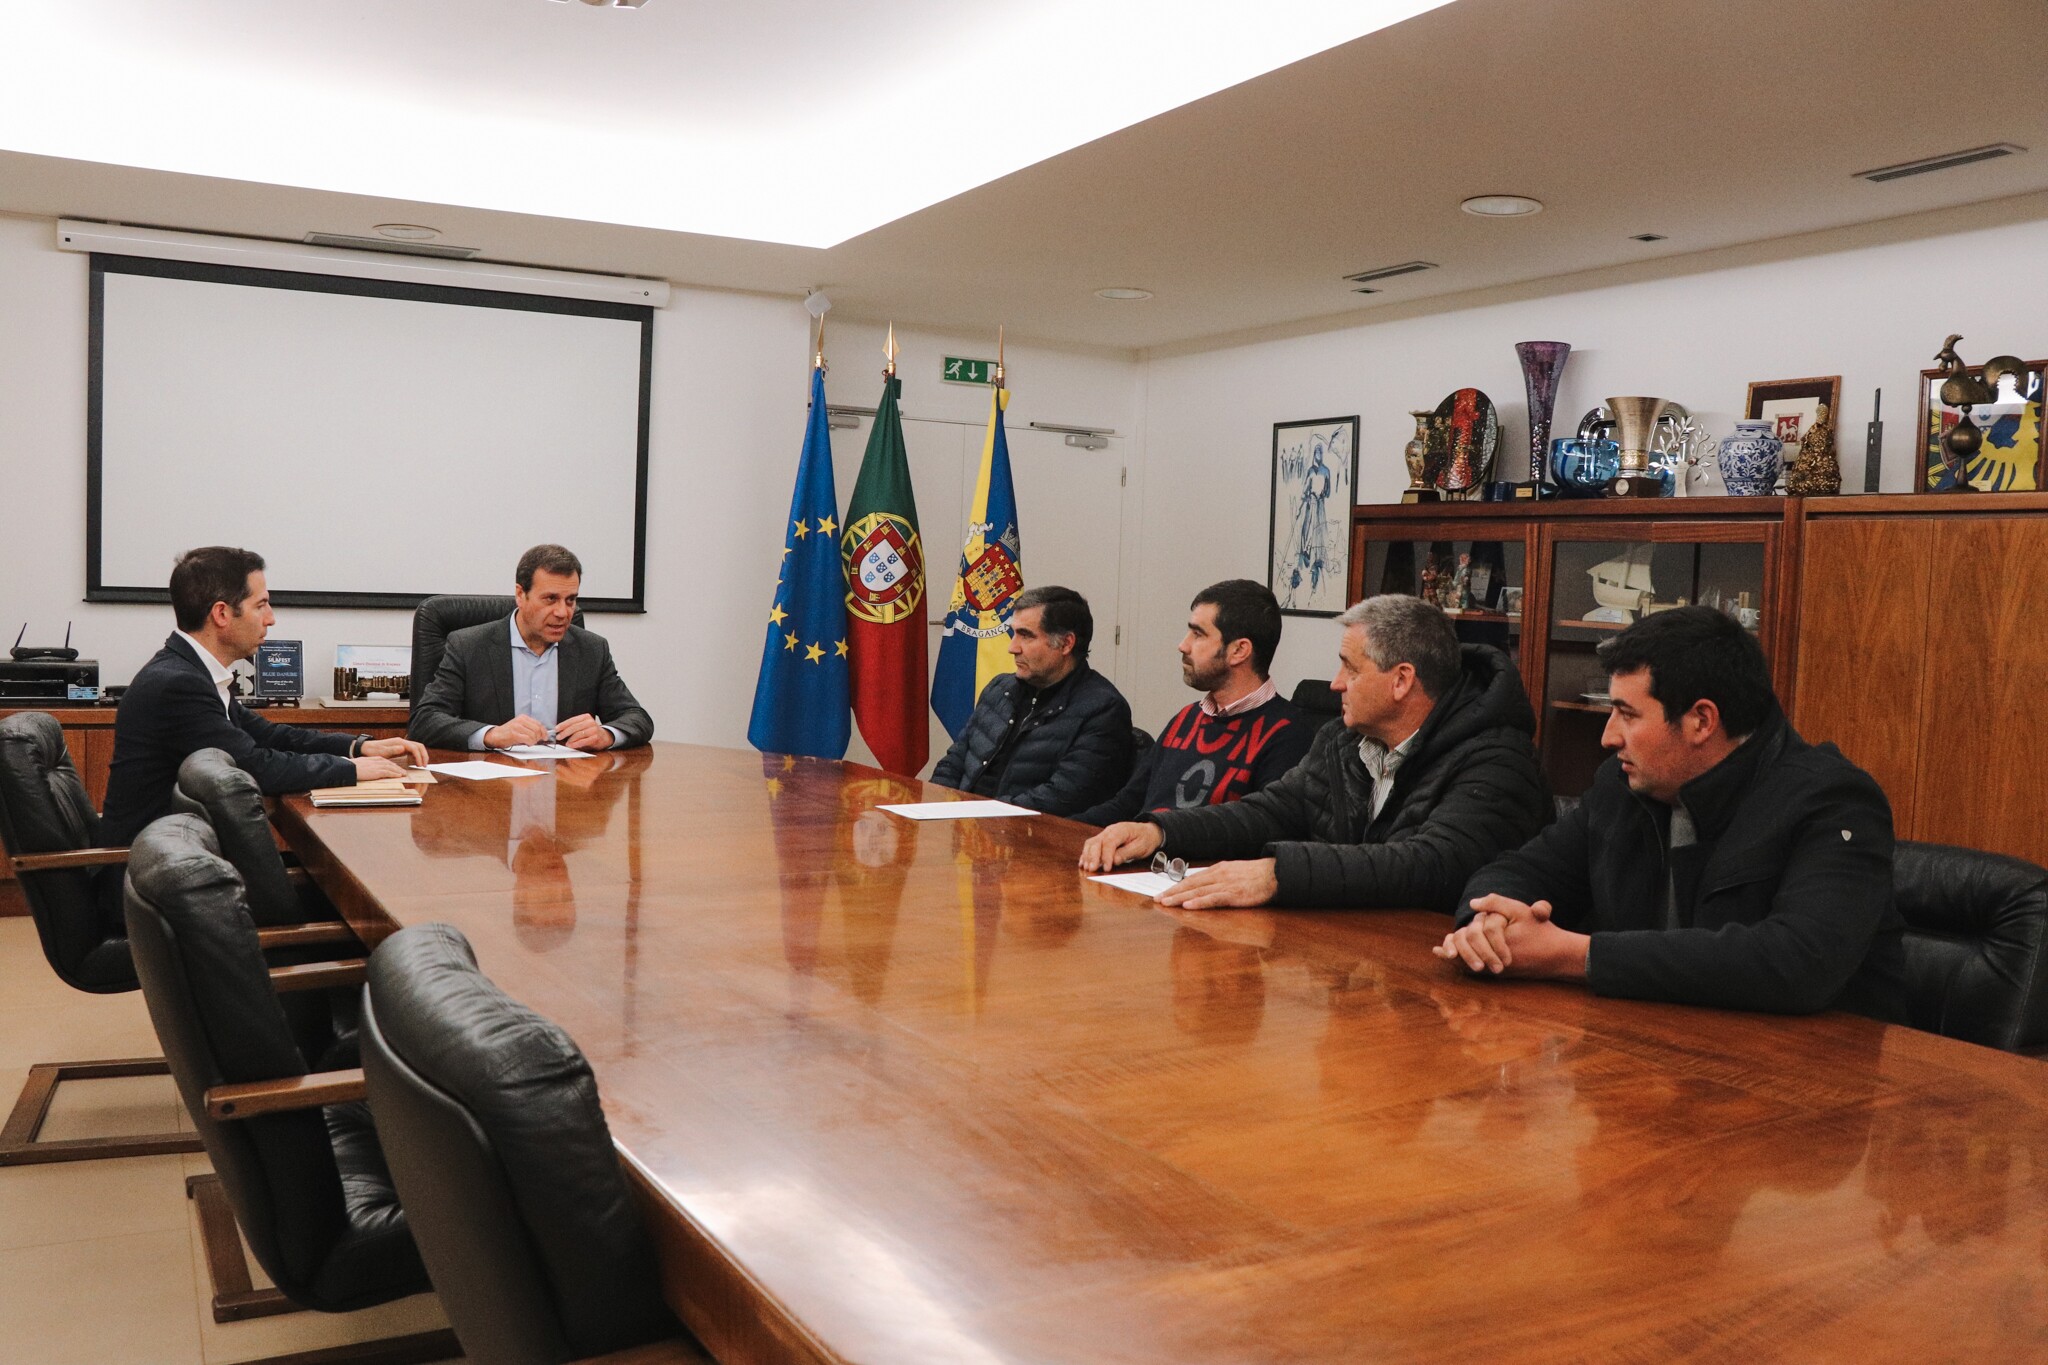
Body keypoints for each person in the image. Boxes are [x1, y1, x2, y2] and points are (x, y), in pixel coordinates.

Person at [1434, 606, 1910, 1020]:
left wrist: (1575, 956)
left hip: (1814, 1085)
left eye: (1628, 713)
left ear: (1701, 720)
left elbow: (1800, 962)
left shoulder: (1835, 801)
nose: (1608, 736)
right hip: (1655, 1054)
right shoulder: (1623, 785)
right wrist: (1486, 928)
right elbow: (1519, 869)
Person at [1079, 593, 1548, 912]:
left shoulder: (1496, 759)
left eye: (1350, 668)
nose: (1335, 684)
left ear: (1401, 680)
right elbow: (1270, 811)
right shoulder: (1342, 741)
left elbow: (1431, 864)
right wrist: (1159, 831)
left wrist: (1280, 874)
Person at [102, 547, 426, 846]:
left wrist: (358, 746)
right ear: (222, 614)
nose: (271, 618)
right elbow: (254, 767)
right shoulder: (177, 685)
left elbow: (271, 736)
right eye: (261, 605)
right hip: (150, 877)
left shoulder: (192, 671)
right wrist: (351, 768)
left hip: (179, 856)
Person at [1074, 579, 1312, 826]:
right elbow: (1128, 803)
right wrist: (1052, 830)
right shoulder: (1187, 718)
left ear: (1239, 651)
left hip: (1192, 861)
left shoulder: (1288, 735)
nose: (1183, 645)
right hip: (1145, 856)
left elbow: (1259, 831)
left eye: (1198, 634)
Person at [408, 544, 653, 752]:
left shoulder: (591, 649)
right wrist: (491, 735)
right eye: (550, 599)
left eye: (571, 600)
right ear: (520, 594)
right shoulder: (469, 646)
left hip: (568, 791)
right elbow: (425, 720)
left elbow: (637, 718)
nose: (563, 612)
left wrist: (606, 734)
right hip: (491, 793)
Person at [929, 585, 1133, 817]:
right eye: (1013, 633)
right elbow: (954, 761)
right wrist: (936, 807)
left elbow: (1064, 798)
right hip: (964, 828)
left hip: (1027, 839)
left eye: (1025, 636)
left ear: (1066, 643)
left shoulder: (1103, 709)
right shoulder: (999, 689)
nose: (1012, 647)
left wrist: (975, 816)